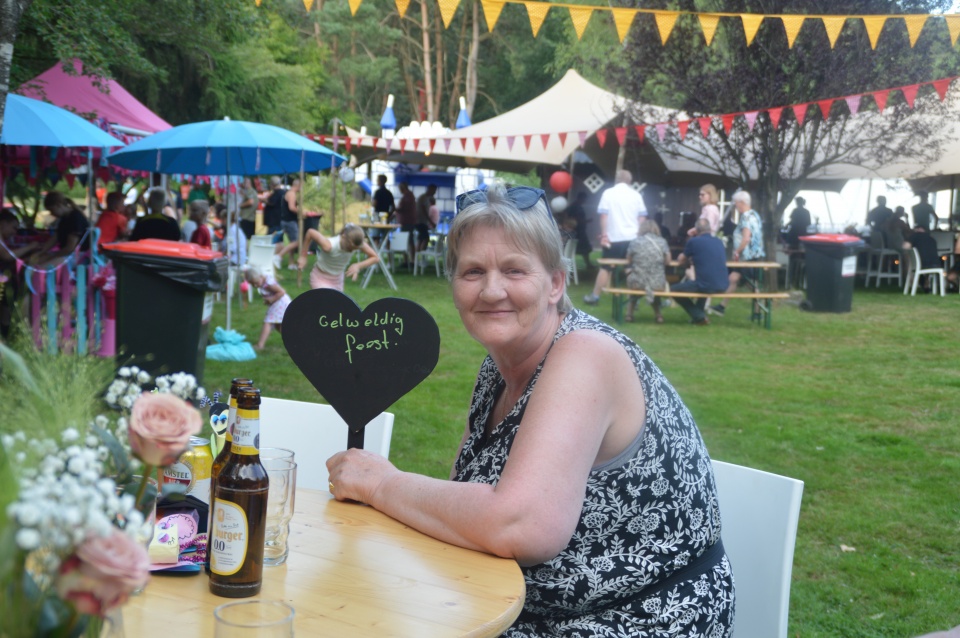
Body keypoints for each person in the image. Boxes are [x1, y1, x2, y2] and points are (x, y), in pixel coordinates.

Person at [325, 185, 735, 636]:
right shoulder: (498, 368)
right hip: (518, 607)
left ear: (556, 283)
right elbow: (465, 508)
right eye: (472, 271)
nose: (491, 290)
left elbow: (522, 525)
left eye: (514, 270)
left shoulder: (586, 355)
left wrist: (383, 483)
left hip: (637, 618)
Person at [583, 169, 647, 305]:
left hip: (613, 237)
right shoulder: (636, 195)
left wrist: (604, 234)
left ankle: (595, 296)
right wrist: (637, 231)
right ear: (630, 181)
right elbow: (642, 217)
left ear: (617, 179)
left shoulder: (608, 193)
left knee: (606, 267)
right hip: (632, 237)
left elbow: (603, 215)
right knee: (630, 267)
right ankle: (633, 300)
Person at [710, 190, 765, 318]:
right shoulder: (754, 214)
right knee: (734, 279)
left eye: (736, 203)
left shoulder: (746, 217)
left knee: (751, 284)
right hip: (754, 255)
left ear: (742, 202)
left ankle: (759, 310)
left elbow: (746, 238)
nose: (735, 206)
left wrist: (737, 251)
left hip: (747, 256)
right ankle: (722, 307)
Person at [673, 219, 729, 325]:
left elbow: (681, 260)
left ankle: (698, 315)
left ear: (696, 230)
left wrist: (690, 238)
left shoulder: (694, 242)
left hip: (705, 284)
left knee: (674, 290)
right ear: (710, 229)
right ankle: (699, 318)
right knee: (704, 284)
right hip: (723, 284)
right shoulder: (719, 241)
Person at [297, 223, 380, 291]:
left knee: (335, 305)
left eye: (355, 249)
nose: (351, 250)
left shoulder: (357, 243)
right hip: (320, 277)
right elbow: (310, 232)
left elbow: (375, 257)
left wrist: (358, 266)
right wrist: (303, 256)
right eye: (351, 247)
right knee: (325, 303)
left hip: (337, 279)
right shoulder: (329, 245)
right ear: (343, 237)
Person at [623, 218, 670, 323]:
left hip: (638, 281)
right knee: (652, 285)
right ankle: (658, 315)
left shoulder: (635, 242)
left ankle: (629, 314)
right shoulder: (662, 242)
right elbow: (668, 261)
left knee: (632, 280)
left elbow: (628, 259)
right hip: (657, 282)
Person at [29, 192, 91, 266]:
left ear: (58, 205)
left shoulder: (75, 218)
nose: (52, 214)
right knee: (32, 263)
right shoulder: (64, 219)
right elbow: (54, 239)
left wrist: (51, 256)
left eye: (52, 210)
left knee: (41, 268)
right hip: (66, 253)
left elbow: (70, 248)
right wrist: (41, 252)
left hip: (78, 255)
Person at [243, 265, 291, 350]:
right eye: (252, 284)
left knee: (268, 322)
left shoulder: (268, 284)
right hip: (277, 303)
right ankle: (292, 339)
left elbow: (282, 292)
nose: (255, 285)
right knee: (277, 325)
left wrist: (271, 299)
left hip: (281, 303)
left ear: (261, 276)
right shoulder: (263, 281)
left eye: (256, 283)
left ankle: (260, 345)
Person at [903, 225, 940, 292]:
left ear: (917, 229)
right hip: (936, 264)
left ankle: (912, 280)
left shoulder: (914, 236)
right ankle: (926, 284)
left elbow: (905, 247)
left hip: (920, 264)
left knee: (907, 259)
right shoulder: (932, 239)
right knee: (926, 267)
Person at [565, 191, 594, 270]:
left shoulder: (576, 206)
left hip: (580, 230)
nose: (585, 201)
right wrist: (586, 221)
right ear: (581, 198)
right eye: (584, 199)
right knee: (583, 248)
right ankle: (586, 264)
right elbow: (576, 219)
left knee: (585, 249)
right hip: (578, 231)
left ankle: (588, 264)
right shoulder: (575, 207)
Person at [370, 174, 396, 247]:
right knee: (386, 236)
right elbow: (393, 207)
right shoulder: (389, 193)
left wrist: (372, 203)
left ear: (380, 181)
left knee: (376, 236)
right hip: (385, 216)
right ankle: (388, 251)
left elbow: (374, 204)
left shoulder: (378, 192)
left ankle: (375, 250)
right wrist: (389, 215)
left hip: (377, 216)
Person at [416, 183, 438, 251]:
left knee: (421, 238)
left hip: (422, 222)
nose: (434, 193)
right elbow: (424, 211)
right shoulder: (423, 198)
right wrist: (431, 222)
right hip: (420, 222)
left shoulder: (426, 198)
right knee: (426, 238)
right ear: (430, 189)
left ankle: (418, 253)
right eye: (434, 191)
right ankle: (422, 252)